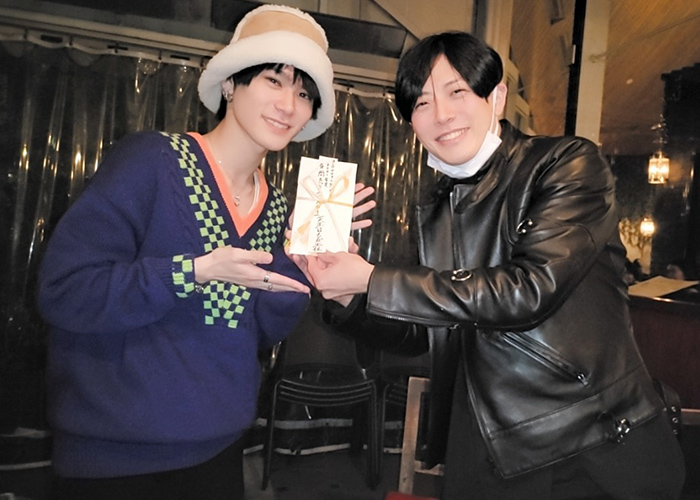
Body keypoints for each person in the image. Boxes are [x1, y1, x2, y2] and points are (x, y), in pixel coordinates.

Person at [297, 31, 686, 499]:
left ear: (496, 97)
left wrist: (375, 278)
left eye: (457, 92)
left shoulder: (565, 163)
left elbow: (529, 289)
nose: (441, 115)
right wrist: (351, 296)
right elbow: (428, 333)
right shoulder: (438, 206)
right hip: (486, 445)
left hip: (587, 440)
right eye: (421, 103)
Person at [37, 5, 372, 499]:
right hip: (111, 457)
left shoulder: (279, 208)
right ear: (231, 83)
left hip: (219, 448)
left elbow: (257, 331)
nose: (288, 104)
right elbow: (63, 291)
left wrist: (303, 273)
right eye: (273, 80)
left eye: (304, 93)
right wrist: (192, 272)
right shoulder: (152, 161)